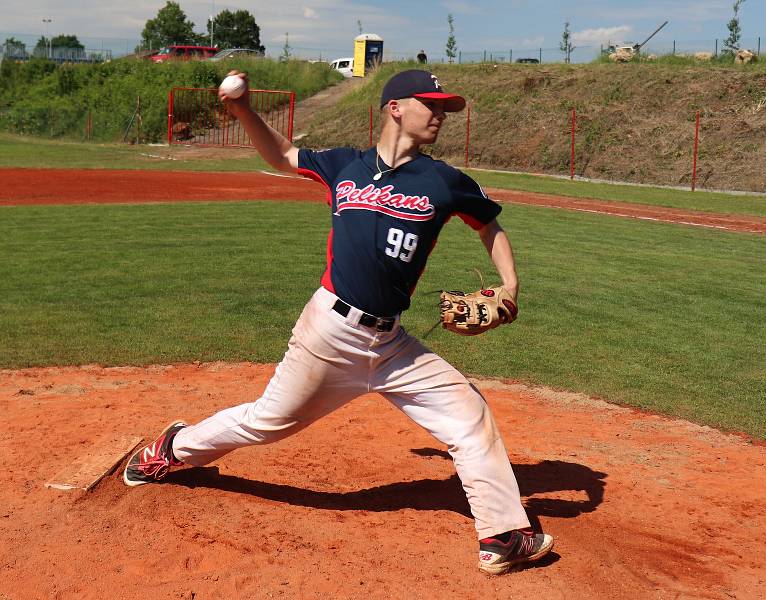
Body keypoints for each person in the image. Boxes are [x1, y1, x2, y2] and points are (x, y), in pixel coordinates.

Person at [123, 69, 554, 575]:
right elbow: (282, 155)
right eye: (431, 104)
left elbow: (490, 225)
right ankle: (171, 449)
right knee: (266, 422)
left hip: (392, 343)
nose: (440, 114)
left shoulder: (444, 181)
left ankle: (502, 536)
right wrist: (241, 111)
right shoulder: (345, 165)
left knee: (468, 414)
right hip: (330, 332)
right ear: (395, 107)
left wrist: (510, 286)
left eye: (445, 108)